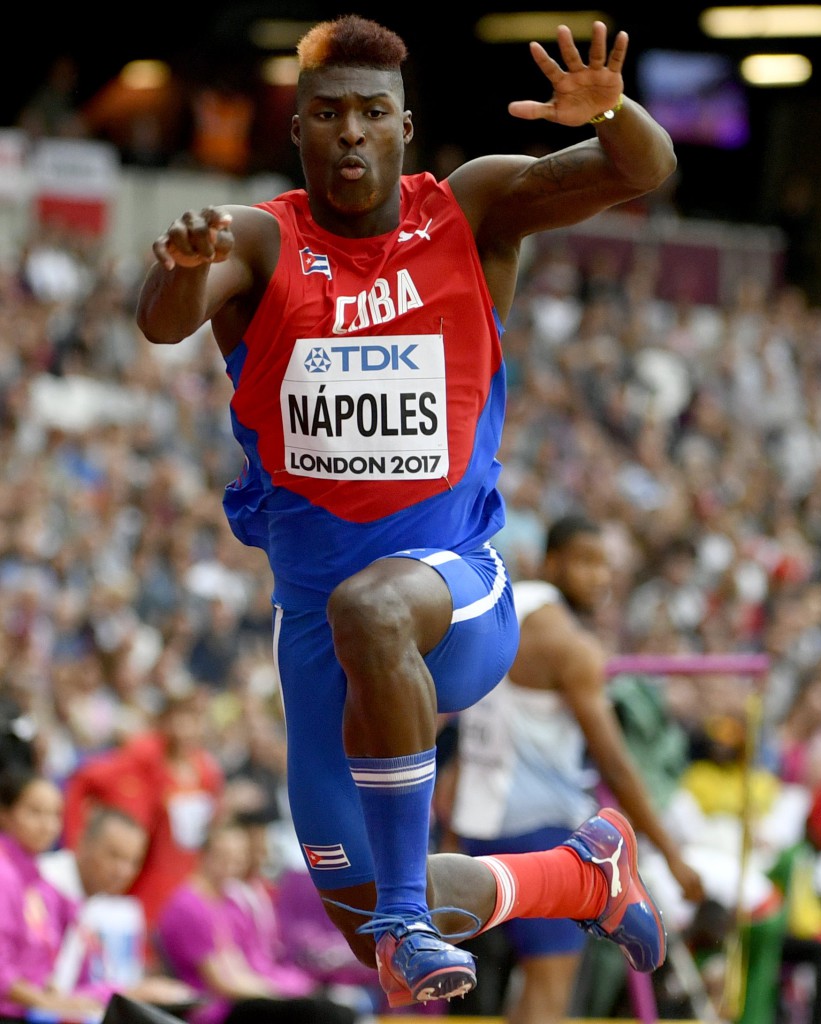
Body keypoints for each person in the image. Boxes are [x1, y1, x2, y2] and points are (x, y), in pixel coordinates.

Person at [135, 13, 678, 1010]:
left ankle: (409, 916)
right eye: (329, 114)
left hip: (455, 592)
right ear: (296, 130)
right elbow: (163, 321)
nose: (351, 133)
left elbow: (642, 167)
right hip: (315, 634)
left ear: (404, 126)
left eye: (371, 114)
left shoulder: (469, 210)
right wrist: (177, 265)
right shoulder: (258, 241)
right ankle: (580, 876)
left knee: (375, 612)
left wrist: (610, 112)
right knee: (362, 918)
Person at [447, 512, 706, 1024]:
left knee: (490, 995)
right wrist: (673, 856)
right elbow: (613, 762)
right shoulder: (572, 646)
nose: (600, 578)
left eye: (606, 566)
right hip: (542, 835)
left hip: (475, 823)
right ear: (550, 561)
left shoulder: (500, 606)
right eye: (586, 563)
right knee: (549, 992)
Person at [155, 819, 357, 1024]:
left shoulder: (224, 901)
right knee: (325, 1013)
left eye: (237, 858)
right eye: (223, 856)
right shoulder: (189, 906)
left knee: (330, 1007)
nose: (230, 865)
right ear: (204, 854)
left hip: (238, 997)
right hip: (215, 1009)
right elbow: (221, 982)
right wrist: (277, 993)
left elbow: (239, 966)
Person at [62, 687, 224, 932]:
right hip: (143, 877)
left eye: (196, 719)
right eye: (182, 718)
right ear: (166, 721)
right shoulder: (141, 756)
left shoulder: (207, 772)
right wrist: (75, 843)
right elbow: (84, 780)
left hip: (184, 876)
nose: (188, 728)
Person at [38, 807, 197, 1011]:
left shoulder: (93, 900)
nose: (123, 871)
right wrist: (131, 993)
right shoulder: (48, 886)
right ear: (83, 843)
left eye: (133, 861)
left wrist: (135, 990)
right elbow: (47, 992)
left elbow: (81, 985)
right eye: (114, 856)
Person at [0, 766, 110, 1023]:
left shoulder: (40, 883)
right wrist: (51, 1002)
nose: (48, 825)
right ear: (4, 813)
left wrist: (58, 998)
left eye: (55, 815)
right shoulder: (4, 874)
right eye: (35, 812)